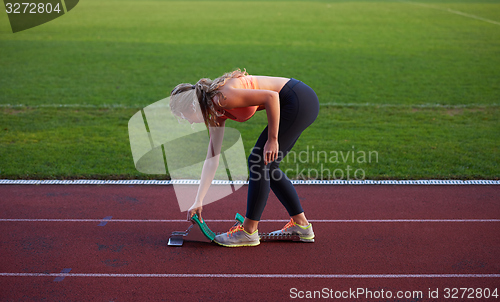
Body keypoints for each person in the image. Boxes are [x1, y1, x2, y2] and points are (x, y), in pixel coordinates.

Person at [169, 69, 319, 247]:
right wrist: (198, 200)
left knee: (257, 161)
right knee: (267, 165)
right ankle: (300, 224)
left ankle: (248, 231)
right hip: (295, 102)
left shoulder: (222, 97)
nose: (190, 122)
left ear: (193, 107)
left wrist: (273, 139)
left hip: (299, 99)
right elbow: (212, 159)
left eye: (186, 116)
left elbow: (271, 97)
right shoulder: (216, 112)